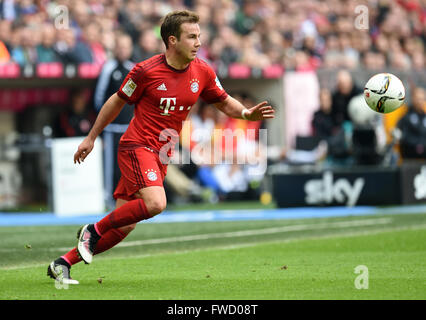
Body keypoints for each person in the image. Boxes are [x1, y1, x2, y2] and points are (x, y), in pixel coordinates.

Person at [47, 10, 275, 285]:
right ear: (172, 40)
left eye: (199, 36)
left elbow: (224, 101)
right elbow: (117, 100)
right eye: (191, 37)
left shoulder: (202, 71)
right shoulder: (145, 71)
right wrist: (92, 137)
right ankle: (93, 230)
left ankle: (63, 263)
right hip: (137, 146)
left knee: (125, 224)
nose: (198, 42)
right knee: (156, 203)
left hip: (162, 154)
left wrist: (246, 114)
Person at [397, 87, 426, 159]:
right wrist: (419, 144)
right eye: (418, 98)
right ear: (413, 98)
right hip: (410, 158)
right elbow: (404, 137)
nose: (420, 101)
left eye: (422, 99)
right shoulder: (406, 117)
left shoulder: (424, 116)